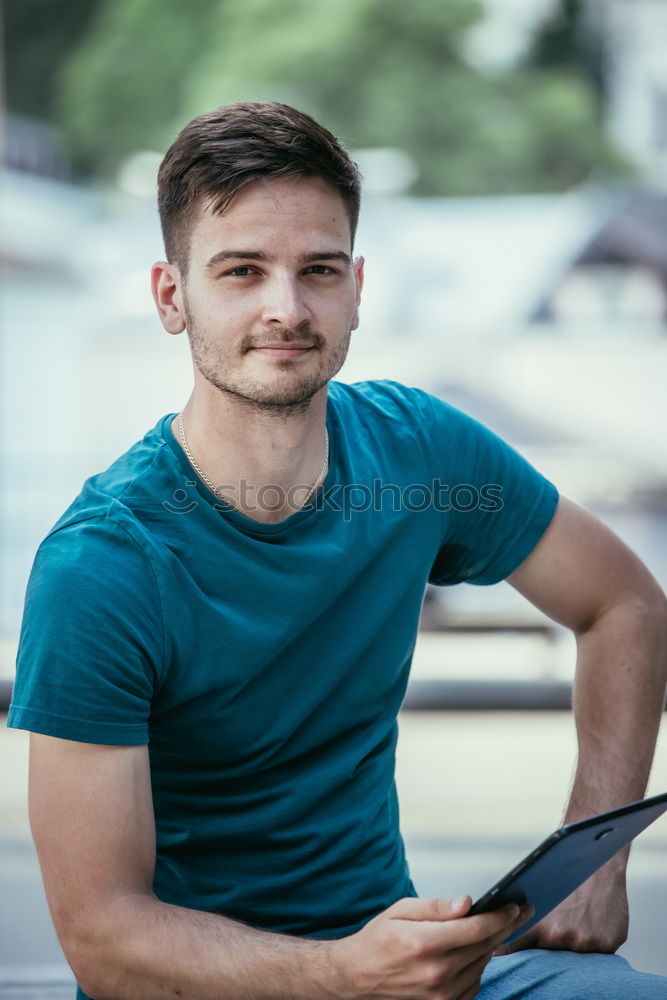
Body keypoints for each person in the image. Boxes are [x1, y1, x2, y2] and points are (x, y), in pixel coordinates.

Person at [7, 101, 667, 1000]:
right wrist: (340, 975)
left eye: (317, 270)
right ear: (172, 297)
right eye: (241, 271)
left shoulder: (422, 456)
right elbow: (105, 939)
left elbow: (625, 605)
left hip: (405, 978)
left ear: (356, 286)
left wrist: (598, 858)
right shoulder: (103, 566)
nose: (286, 308)